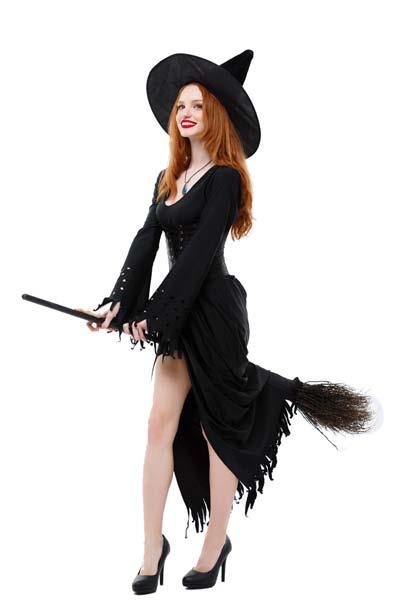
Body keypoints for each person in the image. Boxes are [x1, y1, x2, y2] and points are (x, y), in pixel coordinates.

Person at [77, 50, 376, 593]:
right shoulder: (167, 178)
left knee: (218, 430)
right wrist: (117, 306)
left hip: (212, 312)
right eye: (181, 106)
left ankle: (215, 542)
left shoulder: (225, 179)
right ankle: (152, 549)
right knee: (158, 424)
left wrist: (157, 314)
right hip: (176, 313)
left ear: (214, 114)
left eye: (197, 105)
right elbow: (146, 243)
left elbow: (198, 257)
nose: (186, 113)